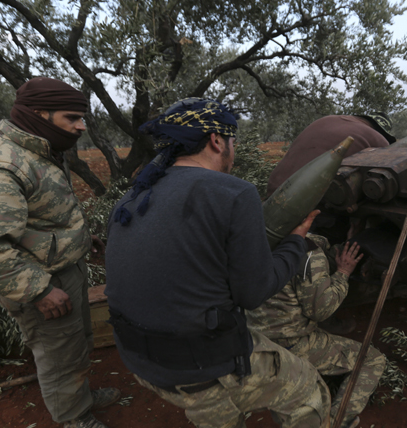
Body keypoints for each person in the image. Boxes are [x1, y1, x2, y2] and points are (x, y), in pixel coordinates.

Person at [104, 98, 331, 428]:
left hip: (139, 361)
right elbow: (253, 293)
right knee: (308, 389)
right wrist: (296, 241)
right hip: (202, 368)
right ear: (216, 140)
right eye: (233, 141)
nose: (234, 151)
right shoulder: (234, 192)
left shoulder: (134, 194)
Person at [0, 77, 119, 428]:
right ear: (39, 114)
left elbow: (43, 215)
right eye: (71, 118)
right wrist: (39, 290)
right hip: (41, 280)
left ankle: (80, 399)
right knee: (59, 356)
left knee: (76, 344)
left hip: (63, 269)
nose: (81, 126)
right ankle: (74, 418)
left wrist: (80, 238)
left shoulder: (41, 152)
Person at [247, 234, 387, 428]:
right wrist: (343, 273)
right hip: (290, 346)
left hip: (253, 344)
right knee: (372, 360)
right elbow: (321, 310)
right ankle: (339, 421)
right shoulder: (307, 251)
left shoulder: (248, 237)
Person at [266, 112, 396, 196]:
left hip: (273, 189)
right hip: (303, 204)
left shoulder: (327, 119)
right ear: (382, 132)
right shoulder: (379, 139)